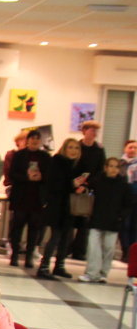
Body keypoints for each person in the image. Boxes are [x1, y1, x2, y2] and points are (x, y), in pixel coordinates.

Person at [36, 137, 88, 280]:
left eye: (76, 148)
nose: (73, 151)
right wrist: (72, 184)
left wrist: (82, 187)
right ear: (65, 148)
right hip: (57, 205)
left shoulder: (79, 165)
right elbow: (54, 184)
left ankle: (59, 265)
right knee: (56, 236)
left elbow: (82, 183)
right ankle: (44, 266)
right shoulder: (57, 161)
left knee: (67, 237)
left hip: (71, 206)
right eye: (70, 147)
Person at [80, 156, 132, 283]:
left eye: (117, 167)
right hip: (96, 219)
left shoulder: (124, 185)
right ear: (105, 168)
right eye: (111, 166)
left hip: (113, 221)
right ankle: (91, 272)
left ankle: (103, 273)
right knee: (93, 247)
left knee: (109, 249)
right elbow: (87, 191)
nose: (114, 169)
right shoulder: (97, 181)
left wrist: (121, 216)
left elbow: (129, 204)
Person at [6, 130, 50, 269]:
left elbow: (50, 176)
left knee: (34, 229)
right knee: (17, 227)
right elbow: (12, 173)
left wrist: (41, 177)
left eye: (37, 138)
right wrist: (26, 177)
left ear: (40, 141)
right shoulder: (19, 155)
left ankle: (29, 256)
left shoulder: (45, 156)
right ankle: (14, 255)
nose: (35, 141)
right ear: (28, 140)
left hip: (37, 198)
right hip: (21, 197)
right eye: (32, 138)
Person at [70, 120, 106, 260]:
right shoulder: (76, 146)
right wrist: (75, 183)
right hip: (73, 186)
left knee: (84, 221)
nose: (94, 133)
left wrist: (87, 184)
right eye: (92, 130)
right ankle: (66, 248)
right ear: (84, 131)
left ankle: (79, 250)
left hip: (89, 188)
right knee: (70, 219)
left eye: (96, 131)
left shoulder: (99, 149)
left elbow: (100, 170)